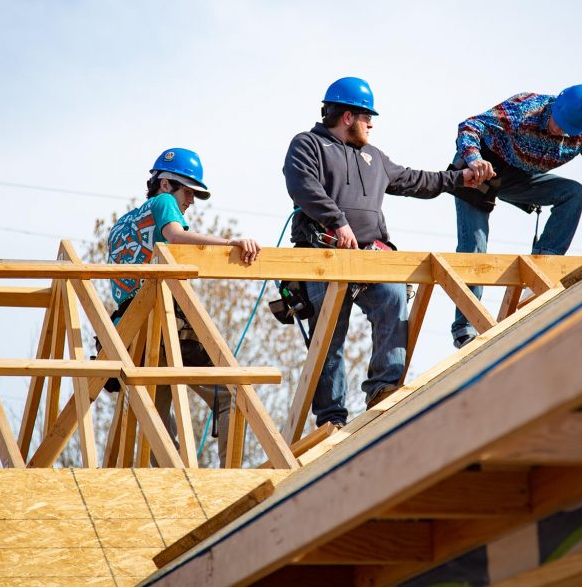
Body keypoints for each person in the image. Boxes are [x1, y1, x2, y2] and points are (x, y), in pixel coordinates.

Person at [283, 77, 480, 428]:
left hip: (370, 256)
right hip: (322, 256)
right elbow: (302, 185)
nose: (371, 124)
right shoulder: (308, 144)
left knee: (392, 297)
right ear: (347, 116)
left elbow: (417, 180)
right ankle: (331, 420)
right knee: (329, 338)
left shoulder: (374, 157)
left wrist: (461, 178)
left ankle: (383, 389)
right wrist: (337, 222)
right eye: (366, 117)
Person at [449, 85, 582, 348]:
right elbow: (469, 126)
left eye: (567, 129)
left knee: (573, 193)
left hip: (521, 177)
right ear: (554, 107)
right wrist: (474, 158)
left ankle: (540, 268)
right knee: (475, 247)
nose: (559, 132)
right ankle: (465, 327)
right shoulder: (526, 109)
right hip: (482, 170)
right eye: (558, 124)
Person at [106, 147, 261, 464]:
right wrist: (230, 243)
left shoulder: (120, 226)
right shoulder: (162, 203)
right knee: (230, 395)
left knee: (156, 412)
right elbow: (175, 237)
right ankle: (229, 482)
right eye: (188, 192)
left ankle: (172, 482)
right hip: (162, 321)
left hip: (130, 332)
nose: (190, 202)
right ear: (165, 185)